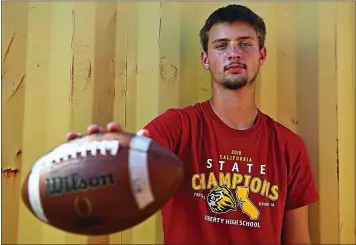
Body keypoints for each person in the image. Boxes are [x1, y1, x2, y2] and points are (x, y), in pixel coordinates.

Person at [67, 4, 319, 244]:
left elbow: (298, 239)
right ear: (205, 59)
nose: (234, 53)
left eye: (245, 44)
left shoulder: (289, 147)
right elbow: (132, 164)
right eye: (221, 45)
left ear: (261, 55)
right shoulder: (176, 127)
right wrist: (103, 159)